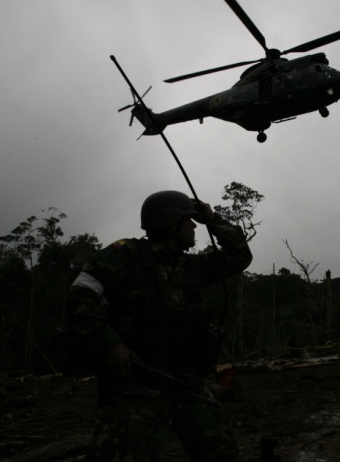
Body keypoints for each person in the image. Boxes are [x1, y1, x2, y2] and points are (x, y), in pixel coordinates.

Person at [65, 190, 253, 461]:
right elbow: (80, 296)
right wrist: (111, 344)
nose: (193, 226)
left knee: (222, 452)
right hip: (140, 386)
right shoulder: (127, 254)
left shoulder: (192, 267)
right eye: (188, 220)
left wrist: (212, 218)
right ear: (170, 223)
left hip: (187, 383)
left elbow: (239, 256)